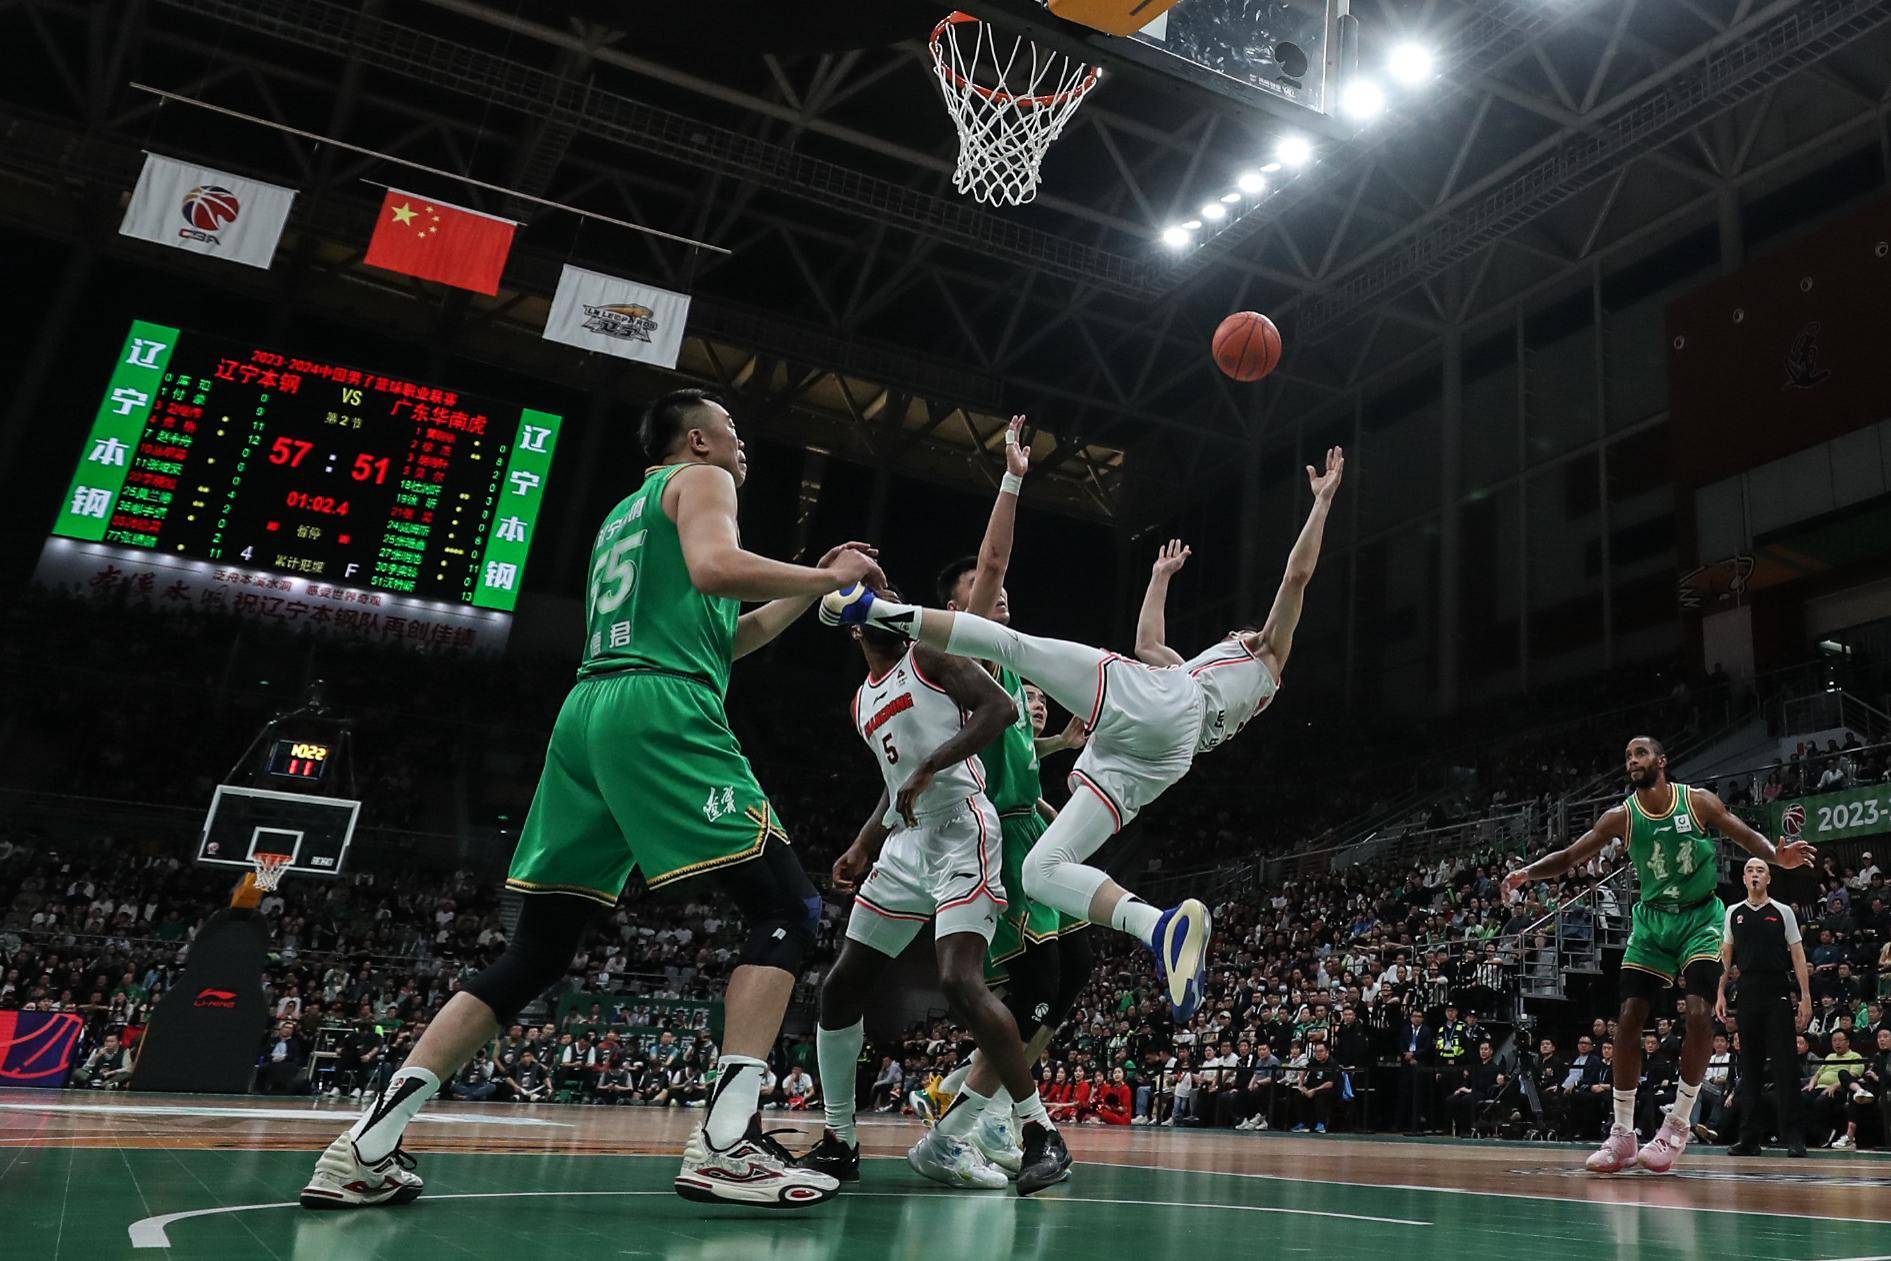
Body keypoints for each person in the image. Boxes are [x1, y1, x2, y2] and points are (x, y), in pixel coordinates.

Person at [302, 388, 885, 1211]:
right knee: (787, 902)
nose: (743, 445)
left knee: (535, 951)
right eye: (734, 430)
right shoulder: (702, 481)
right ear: (696, 439)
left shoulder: (625, 513)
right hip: (658, 708)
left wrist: (811, 591)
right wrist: (831, 577)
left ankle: (366, 1144)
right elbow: (716, 569)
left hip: (588, 718)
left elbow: (727, 634)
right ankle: (725, 1143)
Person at [819, 448, 1346, 1023]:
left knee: (1010, 644)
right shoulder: (1213, 677)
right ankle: (1160, 926)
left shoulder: (1267, 650)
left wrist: (1319, 505)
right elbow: (1150, 646)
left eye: (1237, 632)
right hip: (1163, 755)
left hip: (1163, 710)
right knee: (1043, 871)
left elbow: (1296, 575)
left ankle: (876, 612)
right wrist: (1158, 579)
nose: (1230, 631)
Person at [795, 606, 1070, 1196]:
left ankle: (1040, 1131)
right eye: (869, 601)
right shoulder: (862, 700)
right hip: (904, 841)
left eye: (888, 596)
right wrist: (864, 843)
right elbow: (897, 784)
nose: (884, 606)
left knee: (959, 981)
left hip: (964, 828)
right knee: (840, 985)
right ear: (851, 626)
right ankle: (839, 1141)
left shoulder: (930, 655)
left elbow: (999, 709)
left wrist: (931, 765)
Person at [1503, 736, 1814, 1173]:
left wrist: (1776, 859)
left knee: (1699, 1014)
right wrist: (1525, 874)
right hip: (1652, 922)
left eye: (1640, 754)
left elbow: (1745, 836)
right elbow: (1572, 855)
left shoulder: (1698, 802)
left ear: (1662, 761)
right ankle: (1623, 1135)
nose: (1632, 761)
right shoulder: (1622, 816)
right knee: (1629, 1017)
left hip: (1700, 917)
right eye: (1628, 755)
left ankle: (1677, 1125)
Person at [925, 424, 1094, 1173]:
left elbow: (1012, 752)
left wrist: (1058, 747)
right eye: (980, 597)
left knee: (1074, 973)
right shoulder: (960, 654)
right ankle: (970, 1119)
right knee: (1037, 986)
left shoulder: (1010, 673)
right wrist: (1015, 479)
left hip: (1032, 825)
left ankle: (978, 1100)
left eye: (996, 597)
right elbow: (993, 559)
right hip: (997, 836)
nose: (997, 600)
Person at [1717, 856, 1812, 1157]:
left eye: (1760, 870)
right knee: (1750, 1066)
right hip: (1747, 990)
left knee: (1785, 1065)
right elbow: (1725, 958)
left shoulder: (1783, 911)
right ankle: (1749, 1138)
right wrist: (1720, 992)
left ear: (1768, 878)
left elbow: (1797, 955)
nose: (1755, 874)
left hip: (1777, 990)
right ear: (1743, 879)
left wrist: (1806, 996)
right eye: (1749, 870)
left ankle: (1794, 1136)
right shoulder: (1733, 912)